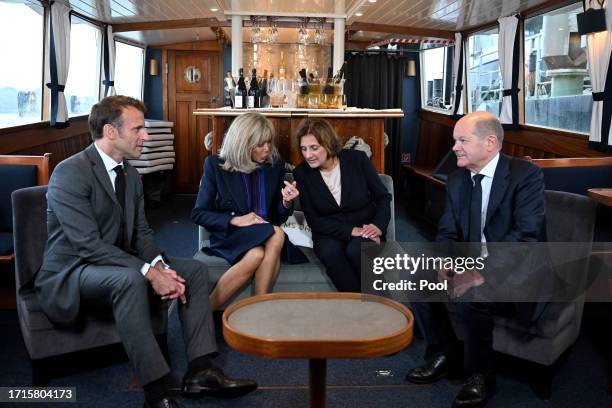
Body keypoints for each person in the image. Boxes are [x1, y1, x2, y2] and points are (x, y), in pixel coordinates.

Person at [35, 96, 257, 408]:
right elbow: (87, 245)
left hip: (119, 263)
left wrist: (158, 264)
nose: (146, 135)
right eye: (138, 128)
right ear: (111, 132)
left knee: (192, 270)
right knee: (127, 279)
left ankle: (201, 371)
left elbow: (141, 232)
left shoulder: (131, 175)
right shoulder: (70, 172)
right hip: (73, 270)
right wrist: (148, 272)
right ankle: (156, 392)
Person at [406, 111, 547, 407]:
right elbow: (446, 230)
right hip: (470, 260)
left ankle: (481, 374)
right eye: (454, 140)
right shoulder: (458, 179)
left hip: (515, 269)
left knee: (474, 294)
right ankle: (444, 354)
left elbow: (525, 237)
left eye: (462, 140)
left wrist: (478, 273)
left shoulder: (525, 175)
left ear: (490, 143)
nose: (454, 147)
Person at [192, 112, 299, 310]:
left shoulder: (274, 166)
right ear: (242, 143)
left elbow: (277, 216)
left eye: (268, 142)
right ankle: (259, 311)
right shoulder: (216, 166)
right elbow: (198, 214)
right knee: (276, 234)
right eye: (260, 144)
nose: (267, 149)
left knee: (260, 251)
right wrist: (236, 220)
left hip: (264, 232)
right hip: (232, 234)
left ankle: (203, 311)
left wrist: (285, 202)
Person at [292, 118, 391, 292]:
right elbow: (315, 221)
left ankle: (383, 301)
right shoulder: (301, 173)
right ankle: (355, 309)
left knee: (356, 250)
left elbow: (382, 197)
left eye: (314, 148)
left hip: (365, 225)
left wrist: (378, 226)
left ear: (328, 144)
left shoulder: (357, 160)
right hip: (328, 232)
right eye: (304, 149)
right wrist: (351, 231)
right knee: (331, 253)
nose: (308, 155)